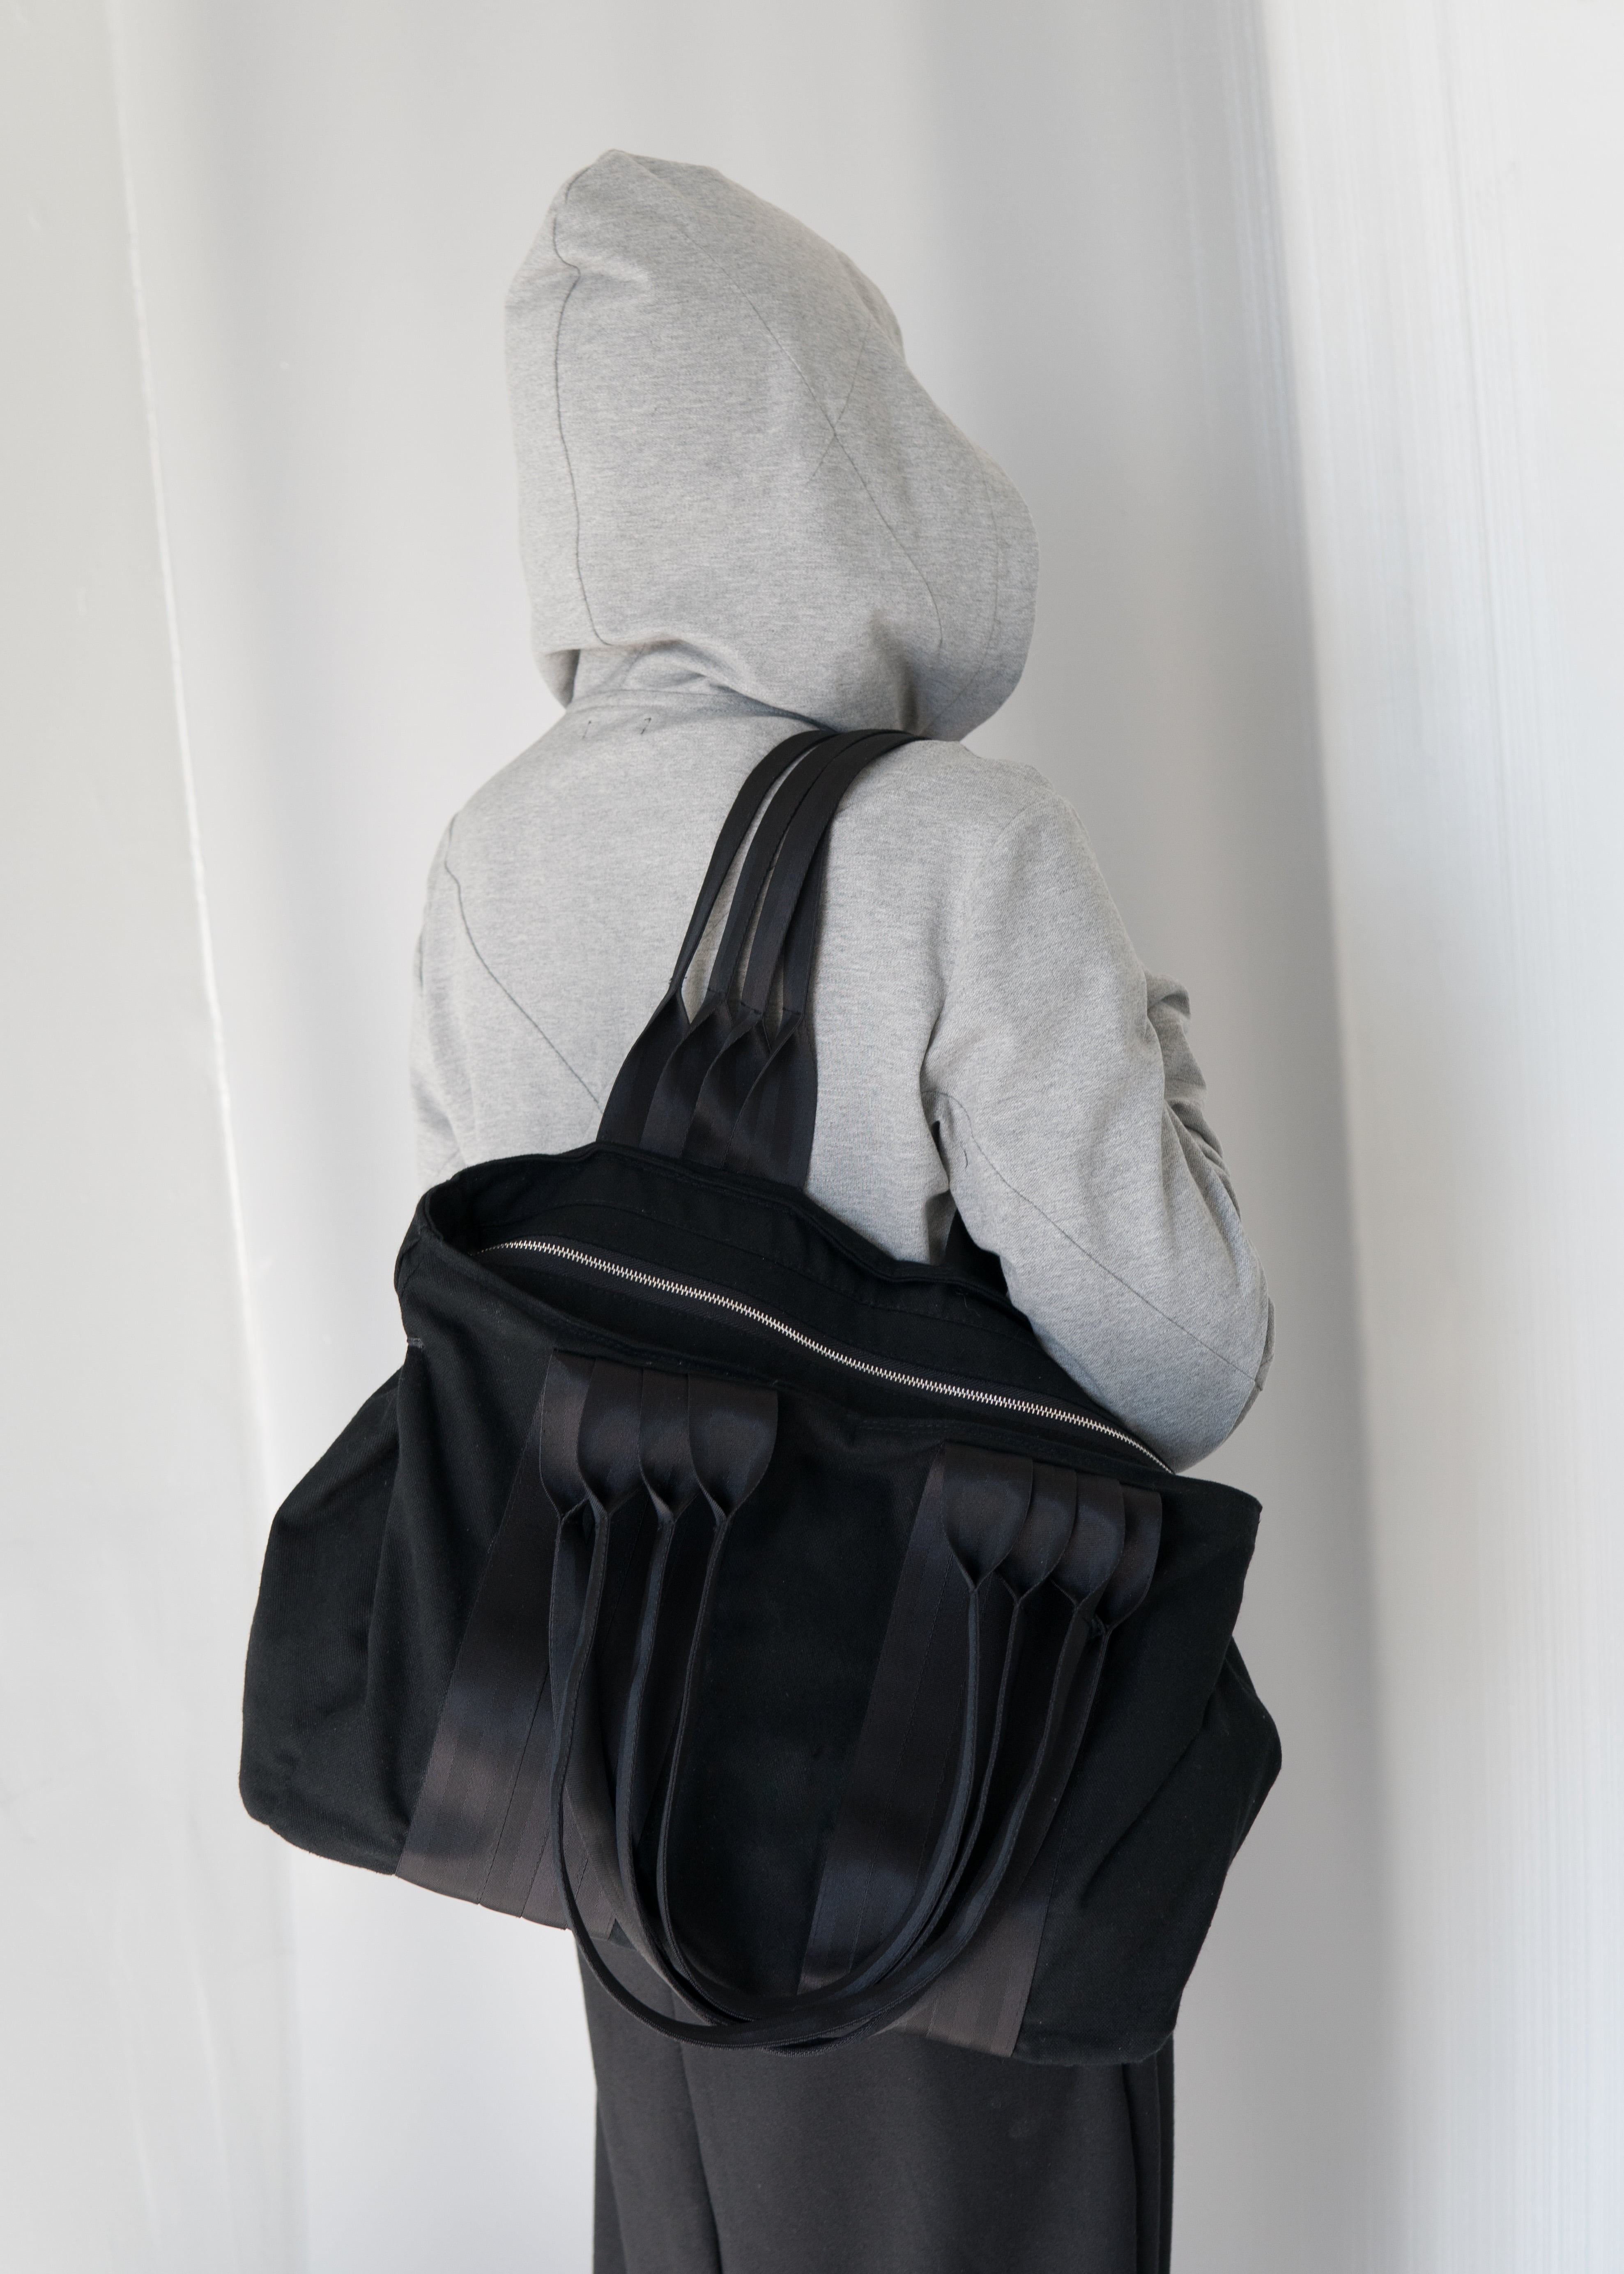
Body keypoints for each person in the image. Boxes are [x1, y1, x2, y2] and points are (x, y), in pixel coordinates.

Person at [410, 150, 1271, 2274]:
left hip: (624, 1811)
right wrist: (1147, 1034)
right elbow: (1183, 1359)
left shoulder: (488, 862)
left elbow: (489, 1334)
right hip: (938, 1814)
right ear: (832, 446)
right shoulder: (962, 848)